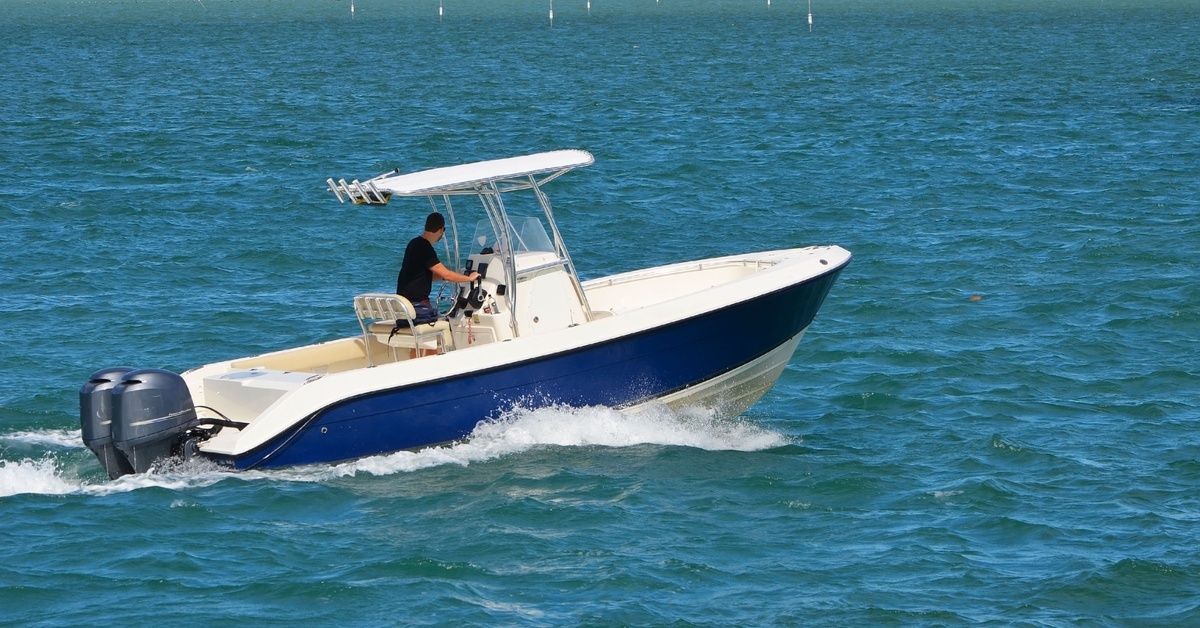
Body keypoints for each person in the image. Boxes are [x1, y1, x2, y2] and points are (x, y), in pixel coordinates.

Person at [396, 212, 480, 322]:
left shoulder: (413, 243)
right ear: (441, 230)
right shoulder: (425, 248)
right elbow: (447, 275)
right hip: (416, 307)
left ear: (426, 226)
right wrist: (469, 278)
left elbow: (422, 276)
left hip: (402, 305)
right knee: (445, 322)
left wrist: (443, 276)